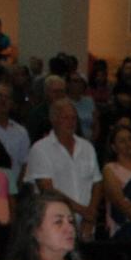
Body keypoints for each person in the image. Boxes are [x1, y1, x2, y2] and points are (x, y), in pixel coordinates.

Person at [27, 97, 100, 230]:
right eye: (65, 117)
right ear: (53, 119)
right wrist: (82, 210)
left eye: (73, 118)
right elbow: (47, 189)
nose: (70, 122)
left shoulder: (87, 147)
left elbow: (97, 182)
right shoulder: (40, 149)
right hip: (54, 224)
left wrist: (89, 216)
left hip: (85, 224)